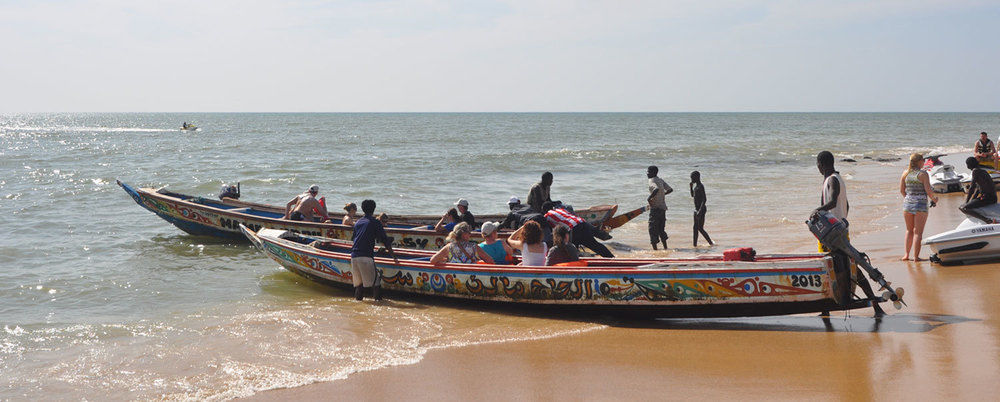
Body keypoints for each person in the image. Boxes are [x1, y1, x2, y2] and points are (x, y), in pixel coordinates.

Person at [814, 150, 885, 317]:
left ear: (821, 165)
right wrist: (842, 220)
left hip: (834, 236)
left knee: (851, 269)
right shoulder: (835, 179)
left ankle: (875, 305)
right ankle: (827, 309)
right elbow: (847, 205)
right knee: (841, 268)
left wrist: (817, 211)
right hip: (836, 233)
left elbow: (832, 201)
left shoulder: (832, 180)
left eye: (818, 166)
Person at [350, 199, 398, 301]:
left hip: (354, 256)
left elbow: (354, 238)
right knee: (376, 284)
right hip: (366, 256)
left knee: (359, 285)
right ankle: (379, 306)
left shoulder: (358, 222)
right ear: (374, 209)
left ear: (362, 209)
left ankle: (357, 305)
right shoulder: (375, 222)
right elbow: (385, 241)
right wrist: (394, 257)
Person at [899, 153, 938, 261]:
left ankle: (906, 255)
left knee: (909, 230)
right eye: (923, 160)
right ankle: (916, 257)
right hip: (920, 205)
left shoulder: (905, 173)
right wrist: (935, 199)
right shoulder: (923, 174)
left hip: (907, 204)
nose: (924, 162)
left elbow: (902, 191)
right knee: (918, 233)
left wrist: (909, 199)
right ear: (919, 162)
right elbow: (929, 192)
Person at [544, 201, 614, 258]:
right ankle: (611, 258)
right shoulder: (560, 209)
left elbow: (554, 233)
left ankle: (576, 264)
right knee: (595, 245)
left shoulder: (547, 216)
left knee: (572, 249)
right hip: (582, 222)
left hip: (574, 228)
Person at [960, 156, 998, 223]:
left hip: (987, 198)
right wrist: (971, 201)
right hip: (993, 198)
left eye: (967, 164)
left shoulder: (975, 171)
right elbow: (977, 190)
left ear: (970, 165)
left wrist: (966, 202)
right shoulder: (982, 171)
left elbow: (972, 188)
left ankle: (987, 220)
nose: (967, 166)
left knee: (963, 208)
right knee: (969, 205)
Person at [646, 166, 672, 250]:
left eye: (648, 172)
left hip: (655, 209)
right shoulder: (660, 180)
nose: (647, 173)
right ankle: (665, 248)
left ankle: (655, 250)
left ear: (653, 173)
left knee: (652, 229)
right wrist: (663, 194)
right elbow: (670, 189)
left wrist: (649, 198)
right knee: (661, 229)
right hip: (662, 208)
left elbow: (656, 189)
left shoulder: (651, 180)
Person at [690, 171, 714, 247]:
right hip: (696, 209)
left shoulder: (700, 186)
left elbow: (704, 199)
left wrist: (700, 210)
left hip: (701, 209)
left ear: (697, 177)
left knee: (698, 228)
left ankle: (709, 243)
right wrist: (690, 187)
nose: (691, 179)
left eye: (692, 178)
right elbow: (692, 196)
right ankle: (696, 245)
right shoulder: (696, 187)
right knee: (697, 228)